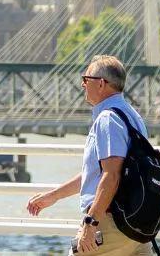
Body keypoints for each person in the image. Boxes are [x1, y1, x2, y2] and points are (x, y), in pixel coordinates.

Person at [24, 55, 149, 256]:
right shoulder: (133, 117)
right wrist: (54, 196)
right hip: (137, 223)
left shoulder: (108, 119)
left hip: (111, 222)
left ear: (101, 84)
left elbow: (111, 176)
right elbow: (99, 174)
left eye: (86, 79)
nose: (82, 85)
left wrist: (91, 224)